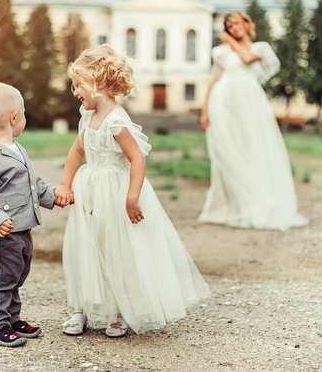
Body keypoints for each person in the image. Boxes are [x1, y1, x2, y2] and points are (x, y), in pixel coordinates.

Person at [54, 44, 210, 337]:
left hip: (115, 191)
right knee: (88, 246)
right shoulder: (87, 117)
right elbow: (76, 151)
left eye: (78, 84)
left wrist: (132, 196)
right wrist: (65, 183)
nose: (74, 90)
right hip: (90, 191)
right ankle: (81, 308)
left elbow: (137, 159)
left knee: (117, 249)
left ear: (98, 82)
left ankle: (118, 312)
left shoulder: (115, 120)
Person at [0, 82, 61, 347]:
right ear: (13, 117)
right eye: (22, 112)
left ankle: (12, 318)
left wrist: (54, 196)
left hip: (22, 230)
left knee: (17, 274)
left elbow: (34, 184)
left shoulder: (18, 149)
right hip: (1, 235)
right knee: (3, 278)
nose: (23, 117)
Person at [198, 13, 307, 231]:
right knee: (227, 150)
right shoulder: (221, 52)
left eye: (237, 24)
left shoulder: (261, 48)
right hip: (222, 103)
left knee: (253, 147)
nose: (233, 29)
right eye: (229, 26)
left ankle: (256, 201)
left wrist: (231, 42)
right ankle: (230, 203)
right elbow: (212, 81)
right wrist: (204, 111)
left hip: (249, 103)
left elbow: (248, 59)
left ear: (247, 24)